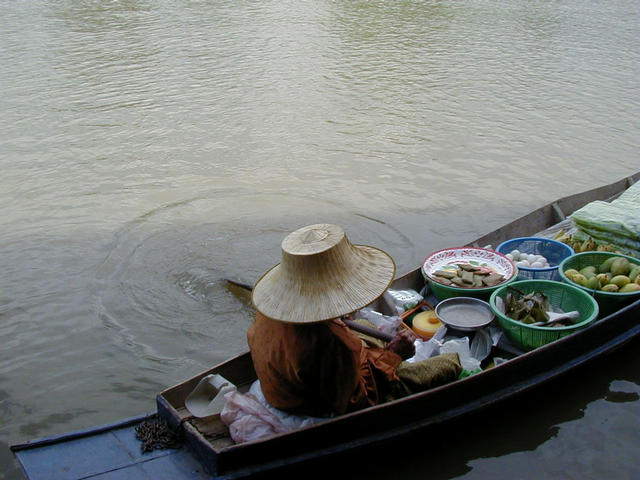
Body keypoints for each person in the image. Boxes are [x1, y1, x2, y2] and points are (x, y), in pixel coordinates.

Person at [247, 223, 461, 417]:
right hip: (311, 403)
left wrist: (335, 318)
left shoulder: (271, 310)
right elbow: (359, 402)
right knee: (448, 364)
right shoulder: (332, 343)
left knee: (366, 327)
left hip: (285, 387)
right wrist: (394, 355)